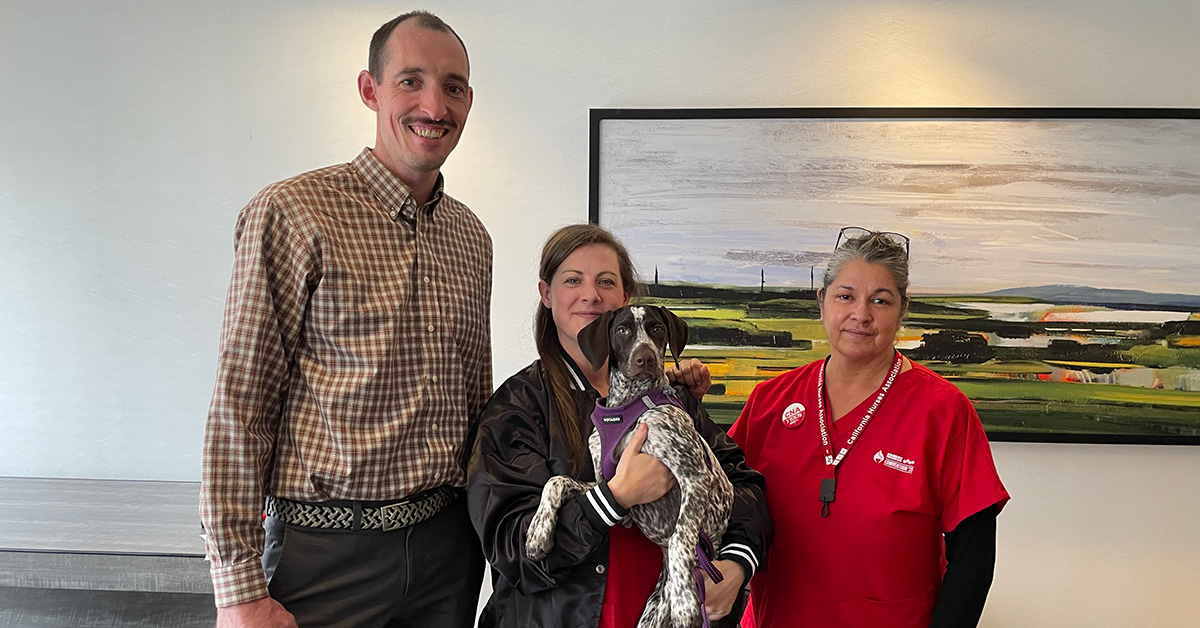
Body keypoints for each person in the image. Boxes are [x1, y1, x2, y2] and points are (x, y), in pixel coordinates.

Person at [199, 11, 489, 628]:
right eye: (410, 80)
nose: (434, 104)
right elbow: (242, 403)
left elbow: (476, 401)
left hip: (450, 553)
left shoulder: (472, 237)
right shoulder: (293, 212)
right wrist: (237, 588)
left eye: (453, 86)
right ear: (369, 89)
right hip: (324, 557)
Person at [467, 224, 772, 628]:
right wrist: (614, 498)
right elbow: (513, 549)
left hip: (666, 611)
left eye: (605, 281)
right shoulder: (518, 406)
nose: (590, 294)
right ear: (547, 294)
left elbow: (742, 484)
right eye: (573, 280)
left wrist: (735, 565)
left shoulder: (670, 398)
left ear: (624, 298)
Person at [728, 227, 1010, 628]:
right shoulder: (769, 403)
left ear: (903, 310)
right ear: (821, 302)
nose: (860, 314)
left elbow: (974, 557)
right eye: (845, 296)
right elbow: (723, 504)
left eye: (880, 300)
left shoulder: (943, 411)